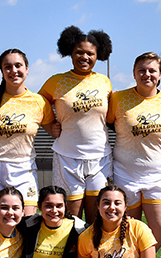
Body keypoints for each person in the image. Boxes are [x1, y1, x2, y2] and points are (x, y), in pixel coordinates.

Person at [0, 49, 56, 216]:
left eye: (18, 65)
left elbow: (54, 131)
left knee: (27, 222)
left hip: (22, 168)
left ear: (27, 69)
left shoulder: (39, 102)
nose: (13, 71)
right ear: (1, 70)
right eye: (8, 67)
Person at [107, 52, 161, 249]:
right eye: (142, 70)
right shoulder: (118, 98)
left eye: (152, 70)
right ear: (133, 73)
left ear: (160, 74)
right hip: (125, 174)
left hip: (157, 175)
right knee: (125, 232)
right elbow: (105, 125)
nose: (146, 74)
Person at [39, 26, 113, 221]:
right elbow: (37, 104)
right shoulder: (56, 81)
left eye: (90, 53)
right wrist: (49, 125)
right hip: (67, 158)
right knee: (71, 219)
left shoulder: (104, 82)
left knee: (97, 219)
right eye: (79, 52)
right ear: (70, 53)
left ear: (98, 56)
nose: (84, 57)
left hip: (100, 158)